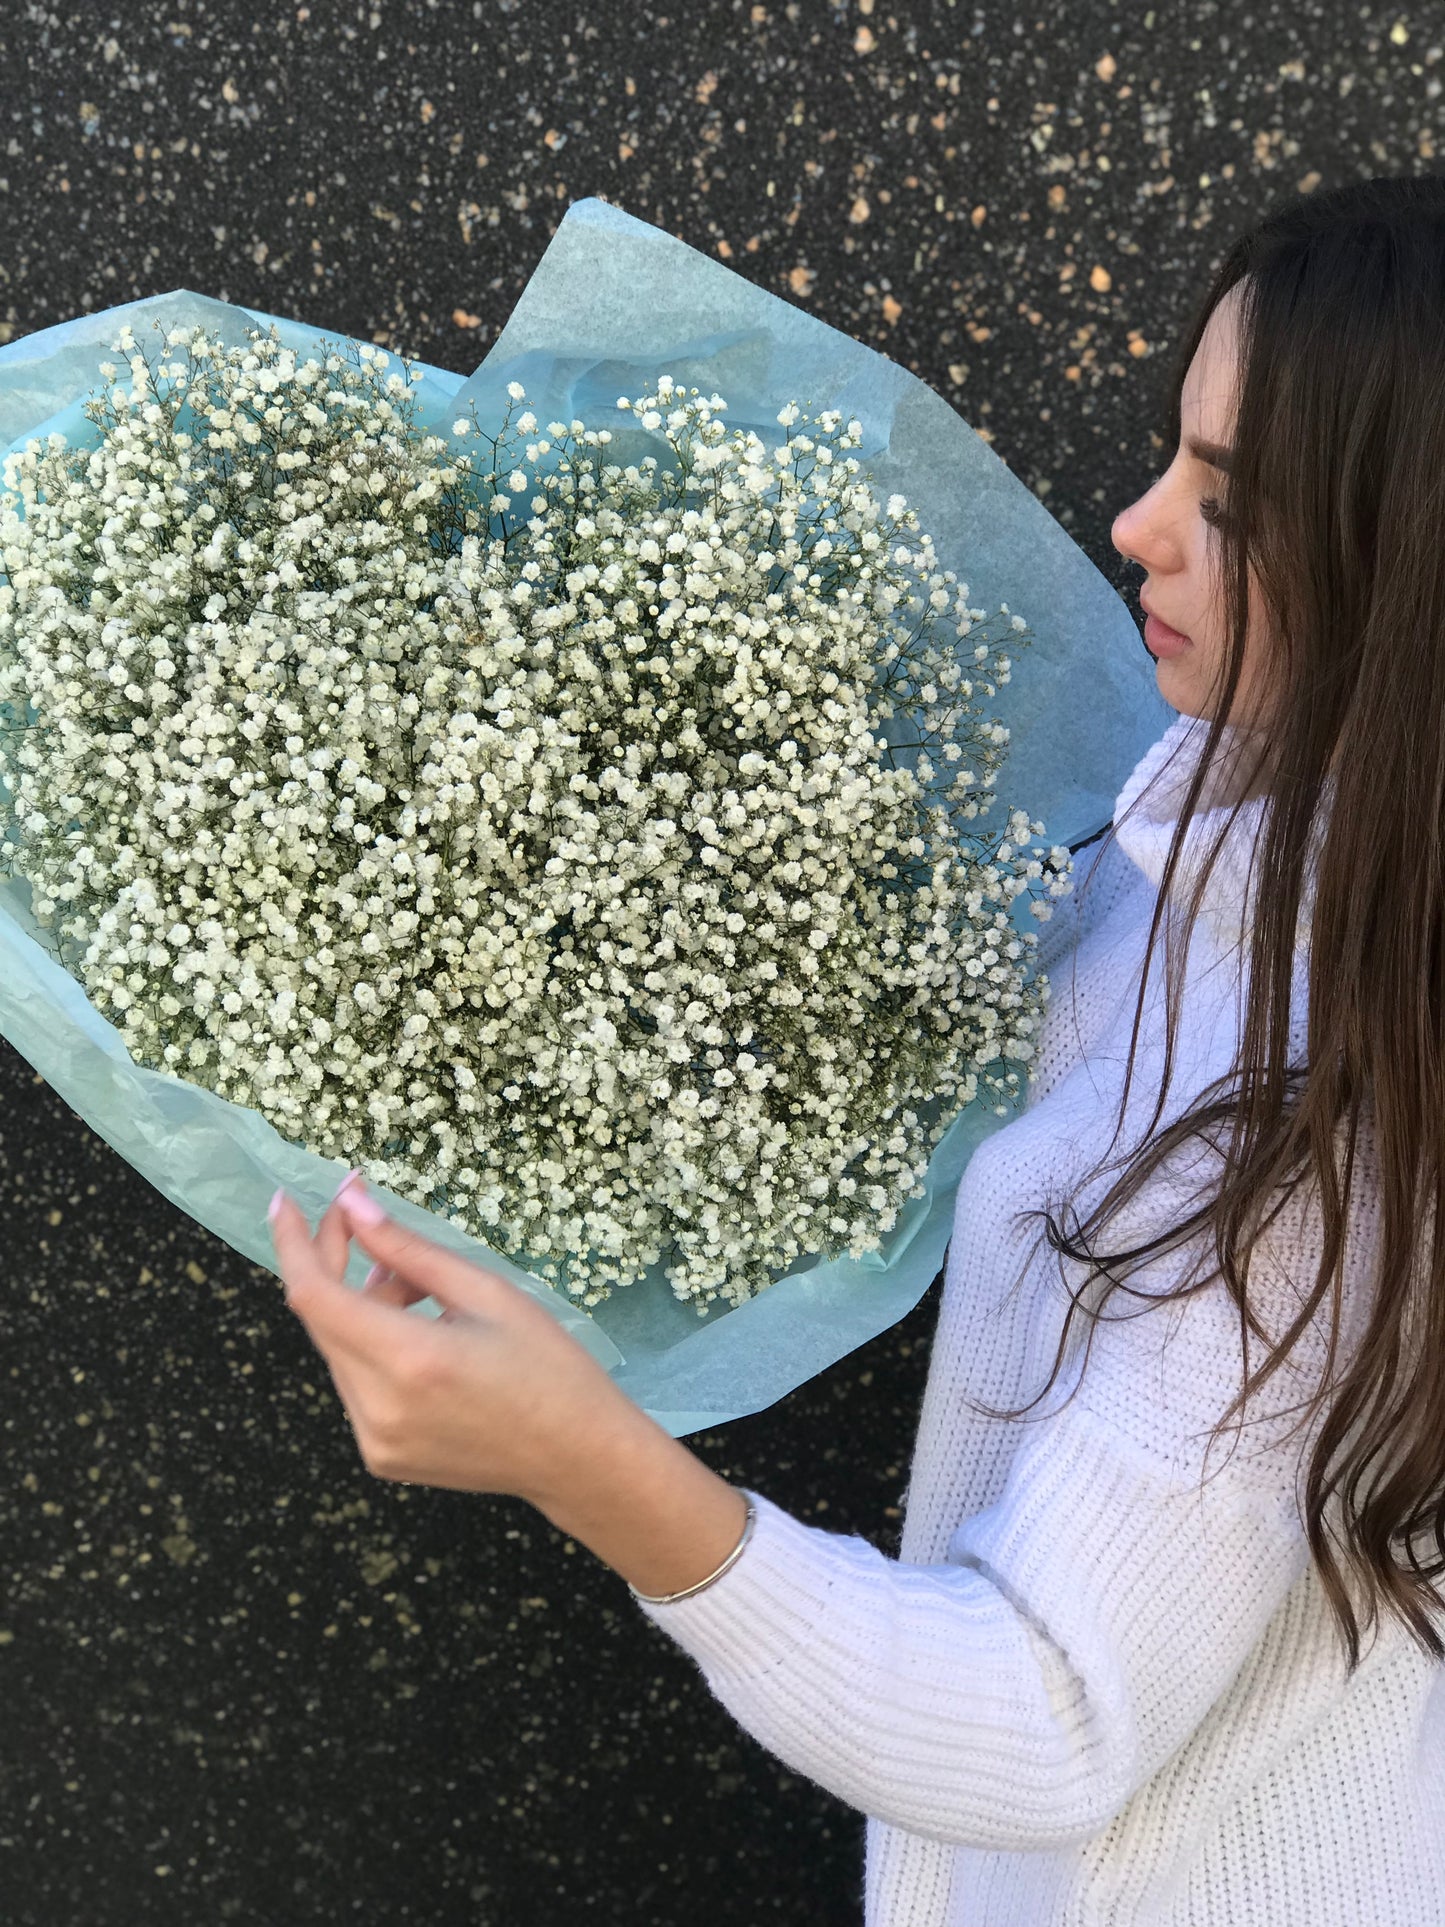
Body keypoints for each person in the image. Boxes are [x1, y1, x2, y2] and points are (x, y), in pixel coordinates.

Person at [276, 174, 1445, 1925]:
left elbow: (1046, 1715)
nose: (1133, 529)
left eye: (1231, 508)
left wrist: (591, 1464)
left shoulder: (1323, 1115)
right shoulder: (1234, 859)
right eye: (1173, 461)